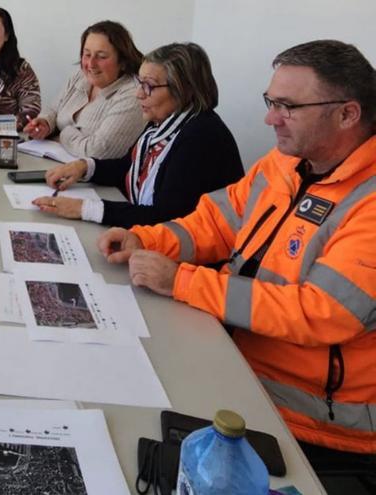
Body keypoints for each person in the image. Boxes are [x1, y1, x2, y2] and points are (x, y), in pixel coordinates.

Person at [99, 40, 376, 490]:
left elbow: (323, 311)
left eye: (288, 106)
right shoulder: (285, 162)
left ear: (347, 114)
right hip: (234, 357)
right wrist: (145, 238)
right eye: (271, 102)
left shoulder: (368, 200)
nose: (270, 118)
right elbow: (216, 222)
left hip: (311, 423)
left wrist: (182, 281)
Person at [33, 43, 244, 228]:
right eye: (140, 83)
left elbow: (166, 217)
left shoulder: (201, 138)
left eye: (149, 86)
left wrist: (85, 209)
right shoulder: (161, 124)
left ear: (183, 90)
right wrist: (84, 167)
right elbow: (129, 166)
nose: (139, 93)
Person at [22, 20, 145, 160]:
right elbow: (54, 109)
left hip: (94, 180)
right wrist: (45, 123)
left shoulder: (133, 95)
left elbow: (98, 150)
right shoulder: (80, 77)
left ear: (123, 62)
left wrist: (64, 133)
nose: (91, 64)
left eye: (101, 56)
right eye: (87, 54)